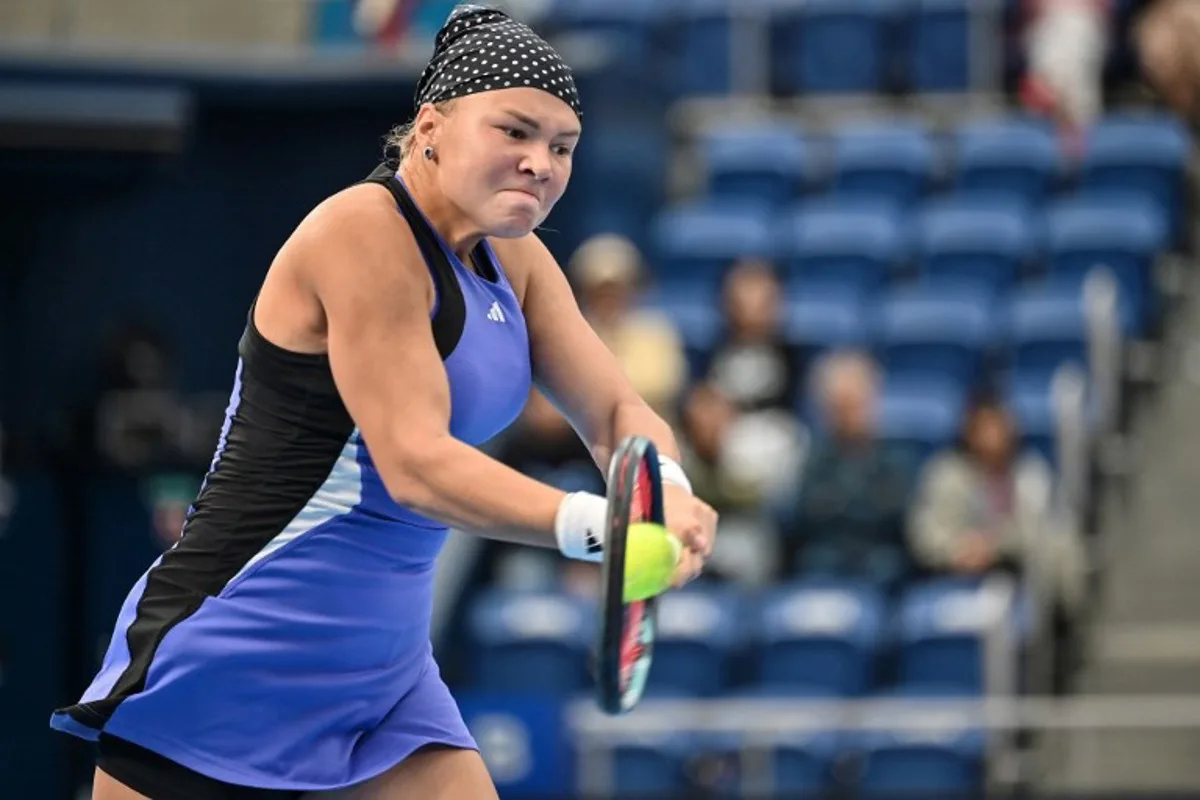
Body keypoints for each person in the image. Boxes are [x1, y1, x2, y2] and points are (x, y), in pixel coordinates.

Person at [50, 6, 717, 799]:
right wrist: (599, 529)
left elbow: (616, 415)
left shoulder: (521, 261)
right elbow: (415, 467)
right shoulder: (360, 231)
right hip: (233, 656)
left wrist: (664, 488)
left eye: (562, 146)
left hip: (386, 680)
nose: (542, 163)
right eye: (516, 132)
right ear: (431, 126)